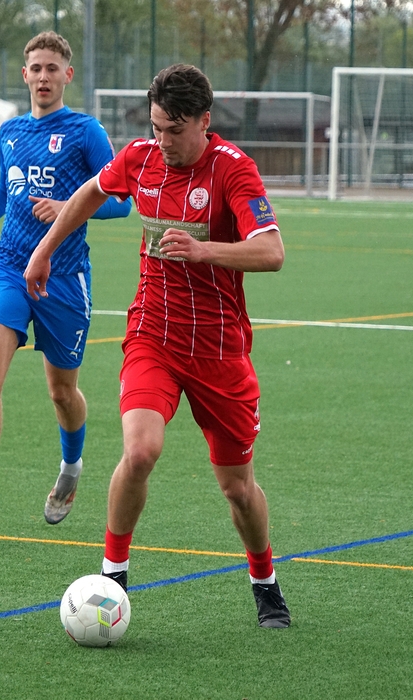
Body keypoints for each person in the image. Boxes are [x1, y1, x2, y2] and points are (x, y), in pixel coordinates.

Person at [24, 64, 291, 628]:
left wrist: (206, 251)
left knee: (238, 489)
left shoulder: (232, 171)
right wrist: (44, 249)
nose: (163, 141)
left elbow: (271, 251)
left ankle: (264, 579)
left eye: (174, 130)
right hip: (154, 334)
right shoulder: (141, 157)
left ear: (204, 121)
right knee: (140, 450)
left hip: (220, 350)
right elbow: (89, 194)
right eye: (156, 127)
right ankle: (112, 576)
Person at [0, 32, 131, 529]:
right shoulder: (12, 132)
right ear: (25, 75)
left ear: (67, 74)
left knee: (62, 393)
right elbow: (7, 188)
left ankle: (71, 466)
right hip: (10, 268)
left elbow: (123, 200)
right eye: (35, 69)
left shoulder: (86, 132)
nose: (43, 77)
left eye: (52, 69)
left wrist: (71, 206)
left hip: (65, 277)